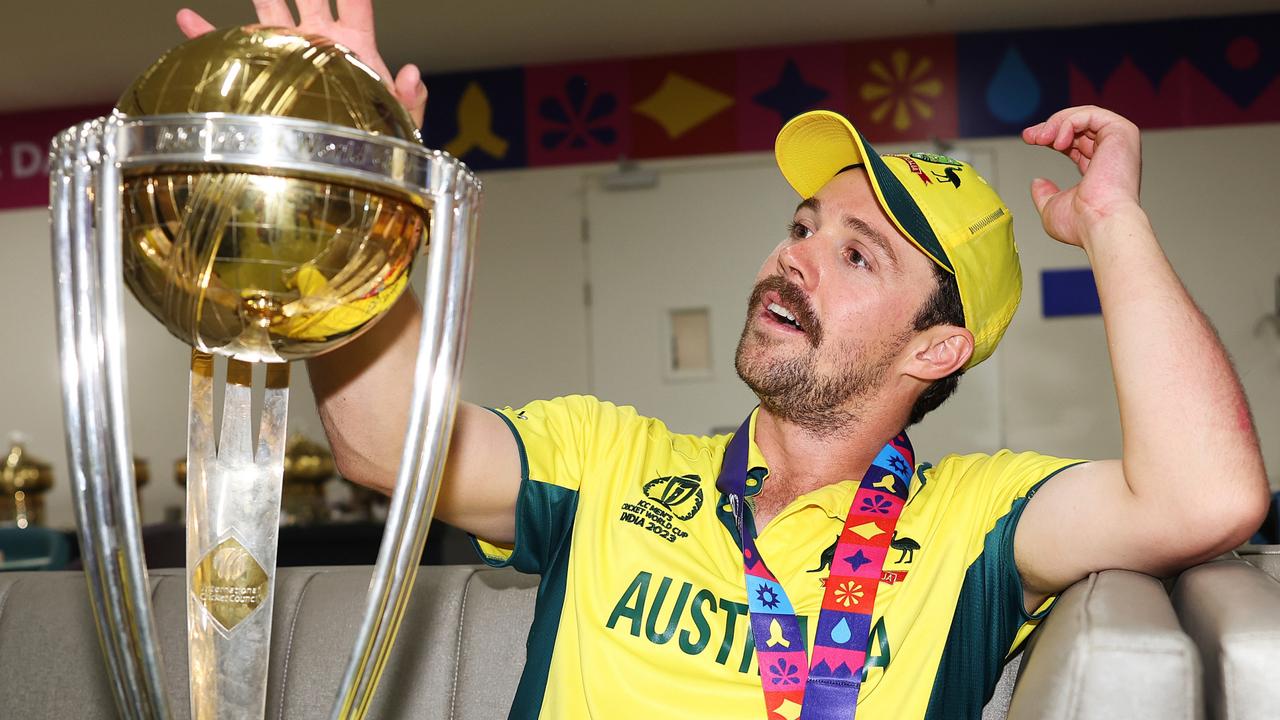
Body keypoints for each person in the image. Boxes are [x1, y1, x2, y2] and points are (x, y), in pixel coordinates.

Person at [178, 3, 1271, 719]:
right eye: (800, 226)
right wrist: (354, 192)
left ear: (936, 345)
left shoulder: (981, 519)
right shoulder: (606, 455)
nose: (792, 258)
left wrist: (1114, 221)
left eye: (855, 254)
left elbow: (1208, 494)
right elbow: (381, 448)